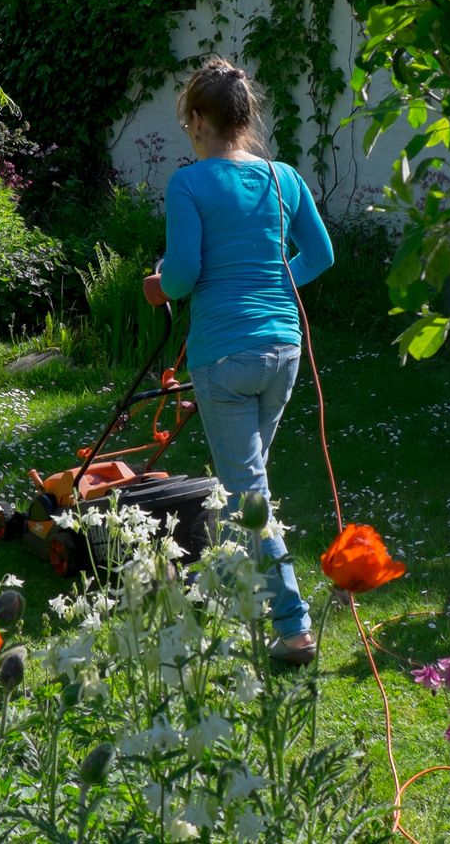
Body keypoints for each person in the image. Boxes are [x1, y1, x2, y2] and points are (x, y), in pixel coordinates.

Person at [142, 58, 334, 665]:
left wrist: (157, 286)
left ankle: (294, 625)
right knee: (240, 484)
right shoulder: (283, 179)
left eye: (188, 121)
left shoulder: (190, 183)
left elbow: (184, 274)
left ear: (197, 119)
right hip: (283, 351)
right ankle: (215, 584)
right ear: (245, 117)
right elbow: (320, 255)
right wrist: (279, 282)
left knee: (250, 494)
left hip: (224, 356)